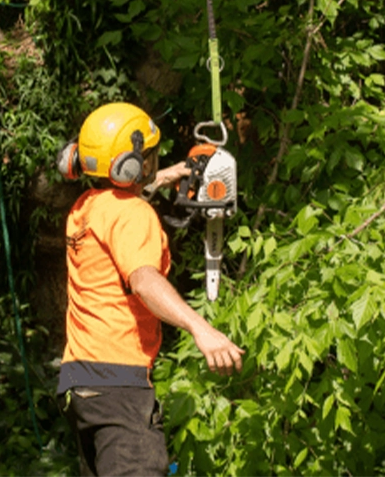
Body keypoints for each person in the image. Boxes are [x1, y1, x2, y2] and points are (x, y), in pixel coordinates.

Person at [56, 102, 244, 477]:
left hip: (82, 385)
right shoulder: (133, 215)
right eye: (151, 156)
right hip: (119, 386)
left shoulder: (85, 208)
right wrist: (201, 330)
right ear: (132, 163)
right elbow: (143, 280)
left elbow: (123, 200)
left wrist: (170, 174)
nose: (154, 160)